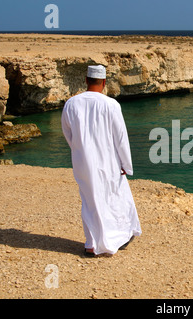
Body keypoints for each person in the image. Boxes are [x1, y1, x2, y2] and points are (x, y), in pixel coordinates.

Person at [61, 65, 141, 257]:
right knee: (114, 198)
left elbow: (68, 133)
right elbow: (120, 138)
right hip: (109, 162)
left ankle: (91, 244)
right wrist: (126, 164)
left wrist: (80, 151)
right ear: (104, 82)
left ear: (86, 80)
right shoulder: (111, 105)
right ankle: (115, 238)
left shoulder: (71, 103)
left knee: (90, 200)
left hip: (83, 162)